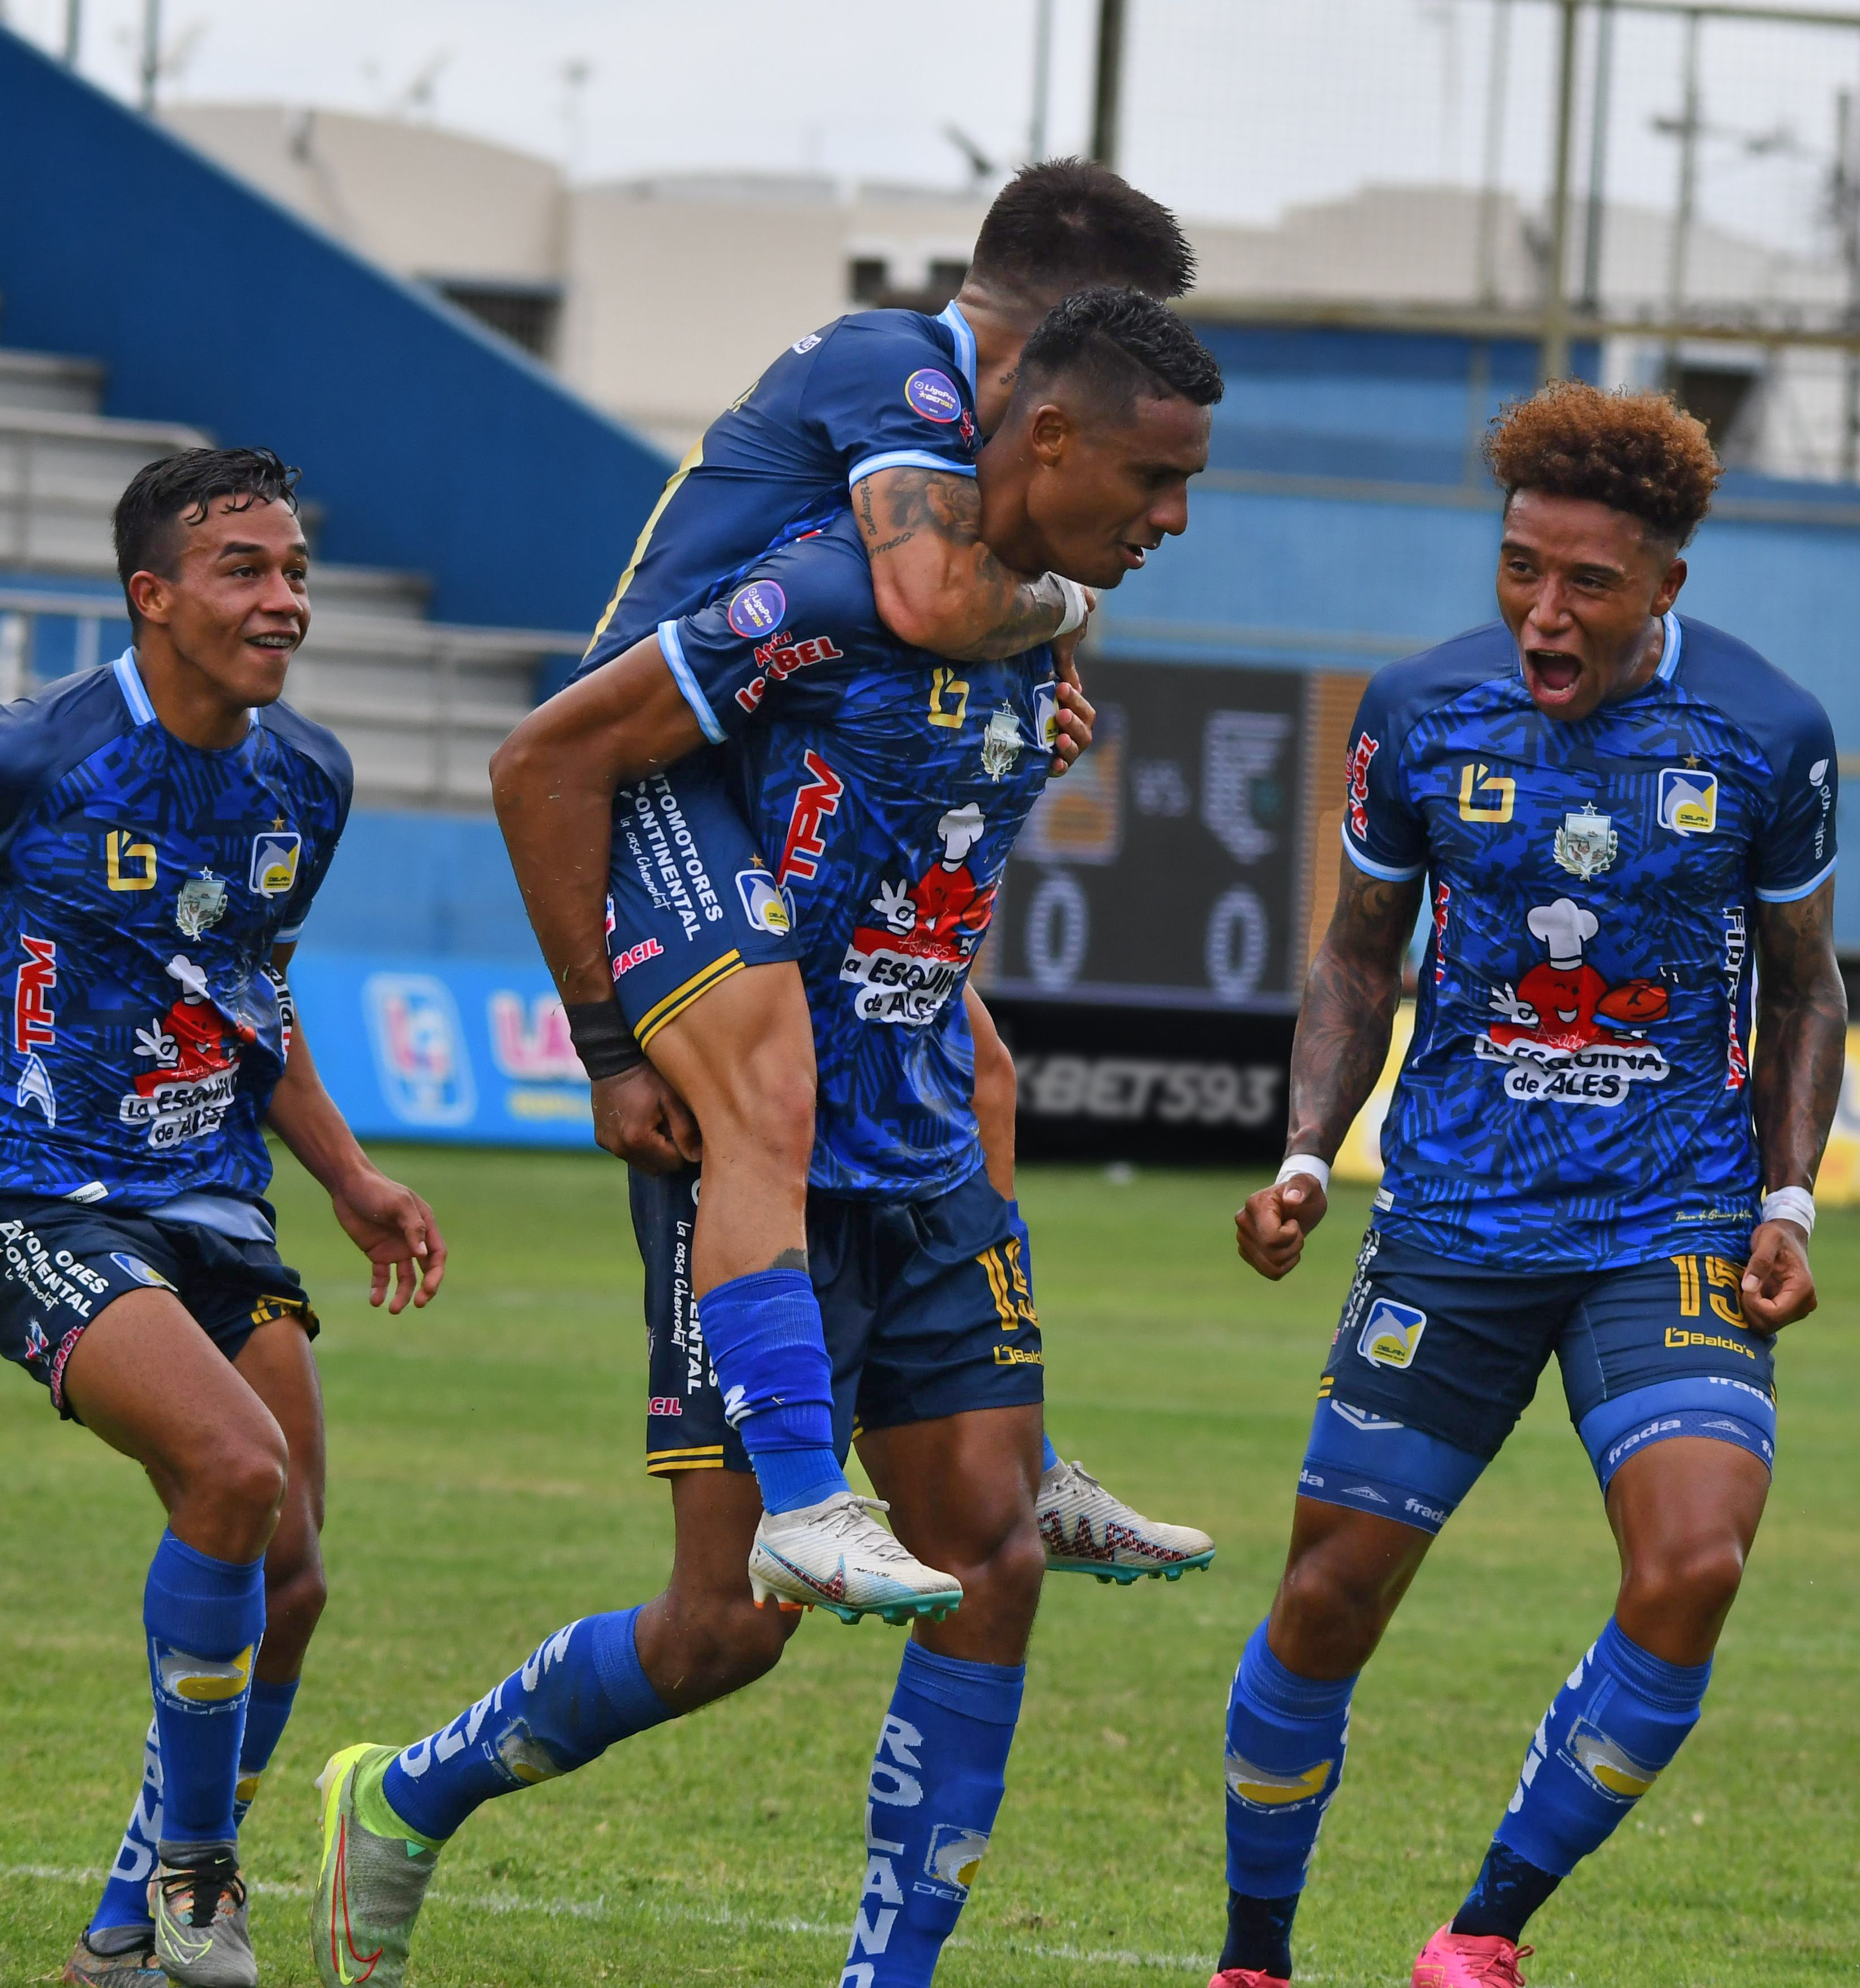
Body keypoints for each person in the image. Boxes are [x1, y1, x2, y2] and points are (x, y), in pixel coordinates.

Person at [313, 289, 1221, 1988]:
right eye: (1155, 480)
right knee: (723, 1630)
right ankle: (404, 1796)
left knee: (995, 1560)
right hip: (755, 1143)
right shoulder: (815, 598)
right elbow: (559, 760)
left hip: (918, 1136)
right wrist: (614, 1036)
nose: (1172, 520)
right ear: (1045, 439)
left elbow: (927, 874)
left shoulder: (1041, 638)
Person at [0, 449, 447, 1988]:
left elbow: (246, 989)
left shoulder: (307, 776)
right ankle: (194, 1887)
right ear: (152, 597)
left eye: (296, 568)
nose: (283, 599)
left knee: (294, 1575)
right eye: (244, 569)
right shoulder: (34, 754)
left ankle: (121, 1938)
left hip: (211, 1201)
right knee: (232, 1470)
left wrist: (350, 1174)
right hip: (31, 1195)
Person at [1209, 381, 1848, 1988]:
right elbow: (1358, 954)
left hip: (1670, 1223)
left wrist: (1786, 1202)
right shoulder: (1416, 714)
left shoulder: (1769, 733)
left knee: (1695, 1560)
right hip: (1450, 1226)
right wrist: (1303, 1153)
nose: (1541, 615)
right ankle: (1253, 1958)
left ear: (1666, 590)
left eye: (1586, 586)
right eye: (1517, 571)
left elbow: (1805, 986)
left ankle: (1482, 1933)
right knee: (1329, 1598)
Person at [544, 158, 1217, 1614]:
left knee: (979, 1070)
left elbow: (956, 596)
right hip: (660, 759)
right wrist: (1068, 611)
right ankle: (802, 1495)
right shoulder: (892, 363)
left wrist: (1039, 657)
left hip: (748, 746)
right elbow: (919, 599)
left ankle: (1019, 1446)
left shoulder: (951, 437)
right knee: (774, 1093)